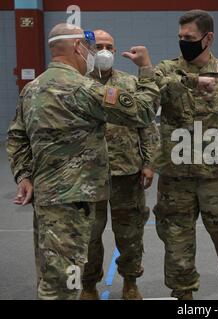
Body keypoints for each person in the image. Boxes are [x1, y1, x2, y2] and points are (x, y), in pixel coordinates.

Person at [6, 23, 159, 300]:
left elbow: (17, 137)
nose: (95, 53)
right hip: (77, 200)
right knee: (66, 282)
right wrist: (147, 69)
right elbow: (144, 110)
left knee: (53, 271)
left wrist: (24, 176)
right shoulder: (83, 88)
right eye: (90, 47)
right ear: (78, 47)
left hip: (48, 198)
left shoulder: (31, 89)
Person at [151, 10, 218, 300]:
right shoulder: (166, 71)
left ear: (208, 38)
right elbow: (149, 92)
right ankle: (183, 295)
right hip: (176, 177)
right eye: (181, 37)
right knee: (176, 239)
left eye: (190, 37)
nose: (184, 42)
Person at [79, 29, 160, 300]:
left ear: (115, 51)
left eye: (109, 47)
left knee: (130, 234)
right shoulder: (76, 83)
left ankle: (130, 281)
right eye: (99, 45)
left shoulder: (129, 83)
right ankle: (89, 284)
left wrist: (149, 163)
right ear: (87, 49)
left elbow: (147, 126)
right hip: (87, 175)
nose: (104, 51)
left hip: (127, 173)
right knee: (89, 236)